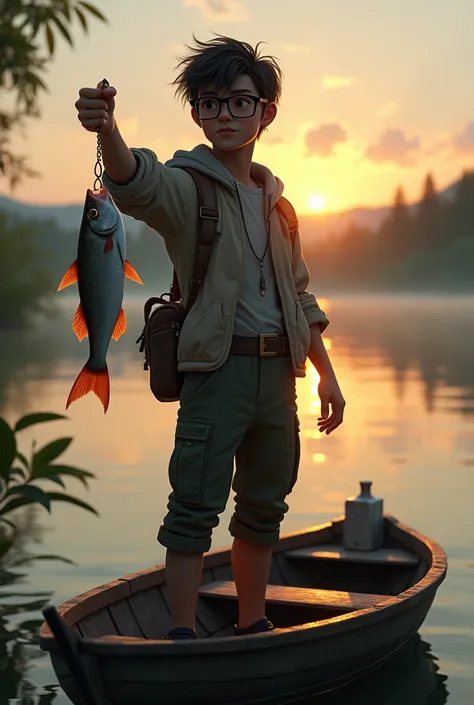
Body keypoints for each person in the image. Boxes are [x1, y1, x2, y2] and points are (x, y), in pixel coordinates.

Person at [75, 34, 346, 640]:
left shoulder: (281, 208)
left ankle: (253, 624)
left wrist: (326, 373)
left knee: (262, 511)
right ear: (196, 113)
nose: (225, 114)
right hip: (215, 373)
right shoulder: (185, 186)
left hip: (279, 377)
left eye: (239, 102)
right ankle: (179, 633)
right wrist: (107, 131)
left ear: (265, 113)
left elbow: (299, 297)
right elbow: (135, 181)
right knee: (194, 508)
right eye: (211, 102)